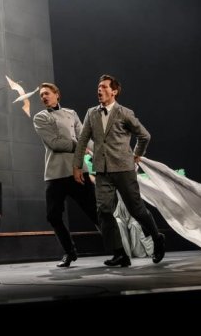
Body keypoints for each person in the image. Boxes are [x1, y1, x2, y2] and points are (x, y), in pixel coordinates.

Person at [73, 74, 165, 267]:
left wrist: (136, 155)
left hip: (124, 169)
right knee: (104, 211)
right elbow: (82, 141)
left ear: (114, 91)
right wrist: (77, 166)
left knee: (136, 209)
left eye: (104, 87)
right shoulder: (91, 113)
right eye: (98, 87)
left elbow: (145, 136)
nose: (100, 90)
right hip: (102, 171)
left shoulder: (124, 112)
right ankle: (120, 253)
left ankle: (157, 238)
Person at [33, 82, 98, 268]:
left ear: (57, 94)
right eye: (41, 95)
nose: (44, 97)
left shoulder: (71, 113)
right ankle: (70, 252)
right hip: (55, 173)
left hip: (78, 169)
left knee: (94, 212)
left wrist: (100, 151)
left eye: (47, 93)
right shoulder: (40, 117)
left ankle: (119, 250)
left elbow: (84, 136)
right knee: (53, 216)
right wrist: (80, 146)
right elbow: (54, 143)